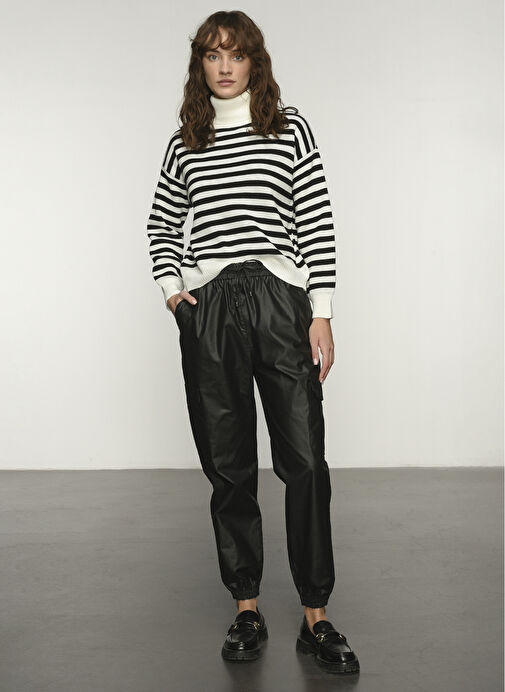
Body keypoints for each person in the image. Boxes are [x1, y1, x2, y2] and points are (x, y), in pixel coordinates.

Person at [146, 10, 360, 675]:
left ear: (254, 62)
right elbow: (161, 221)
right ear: (200, 65)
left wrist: (320, 311)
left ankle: (315, 616)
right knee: (228, 463)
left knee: (305, 460)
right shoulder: (188, 139)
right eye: (212, 55)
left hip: (278, 299)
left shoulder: (287, 127)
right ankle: (246, 607)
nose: (224, 66)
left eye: (235, 54)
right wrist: (174, 292)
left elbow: (316, 218)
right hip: (211, 305)